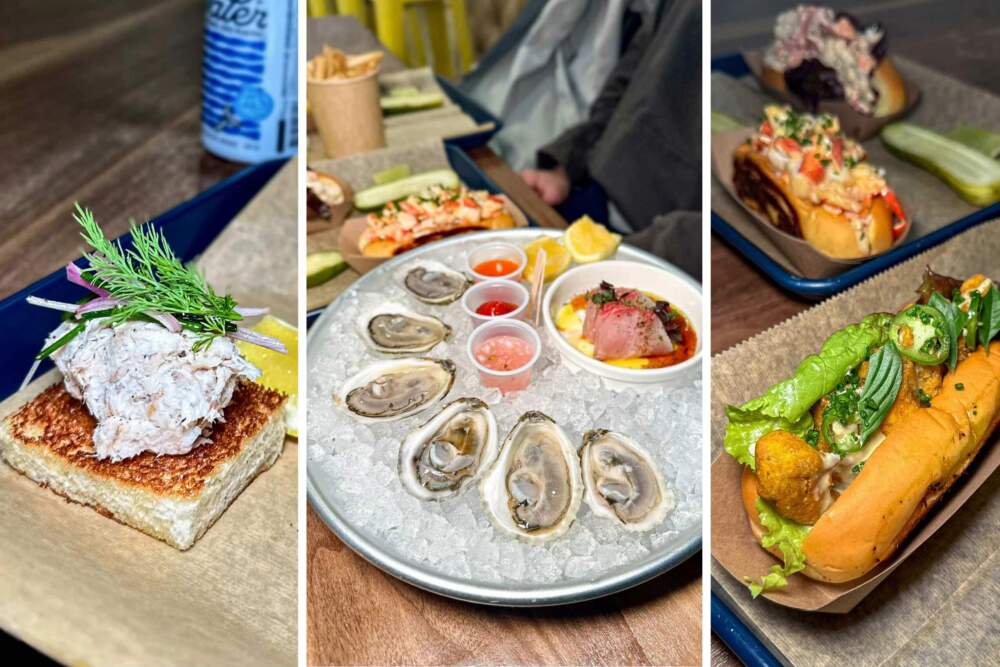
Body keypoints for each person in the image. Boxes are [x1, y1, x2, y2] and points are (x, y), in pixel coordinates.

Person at [520, 0, 702, 278]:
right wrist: (568, 164)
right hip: (597, 192)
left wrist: (634, 257)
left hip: (658, 248)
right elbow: (627, 76)